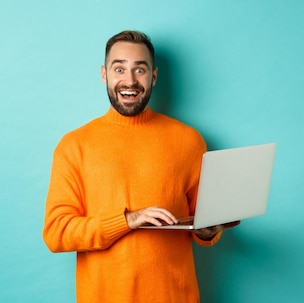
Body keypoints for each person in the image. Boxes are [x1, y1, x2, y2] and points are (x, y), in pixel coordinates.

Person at [42, 30, 239, 303]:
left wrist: (209, 230)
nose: (130, 80)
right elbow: (56, 233)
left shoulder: (190, 141)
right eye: (119, 68)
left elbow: (201, 224)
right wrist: (127, 221)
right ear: (104, 75)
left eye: (140, 70)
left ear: (154, 76)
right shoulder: (74, 145)